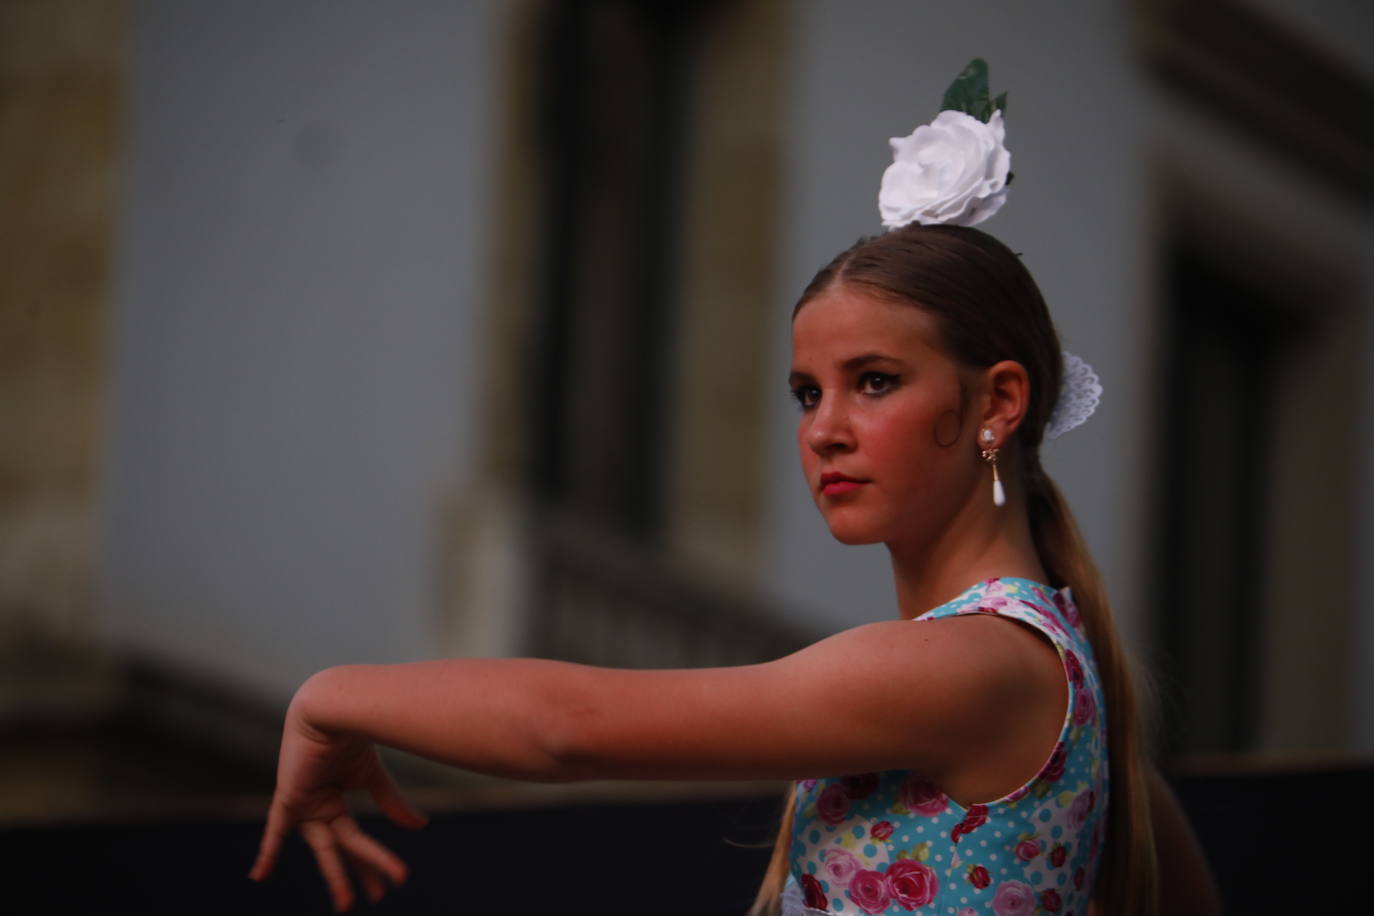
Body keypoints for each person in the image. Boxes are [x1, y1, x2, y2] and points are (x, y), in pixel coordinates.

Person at [250, 65, 1220, 915]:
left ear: (996, 403)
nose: (824, 429)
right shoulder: (1076, 706)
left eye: (874, 381)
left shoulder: (967, 666)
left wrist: (334, 696)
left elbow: (569, 727)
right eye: (808, 392)